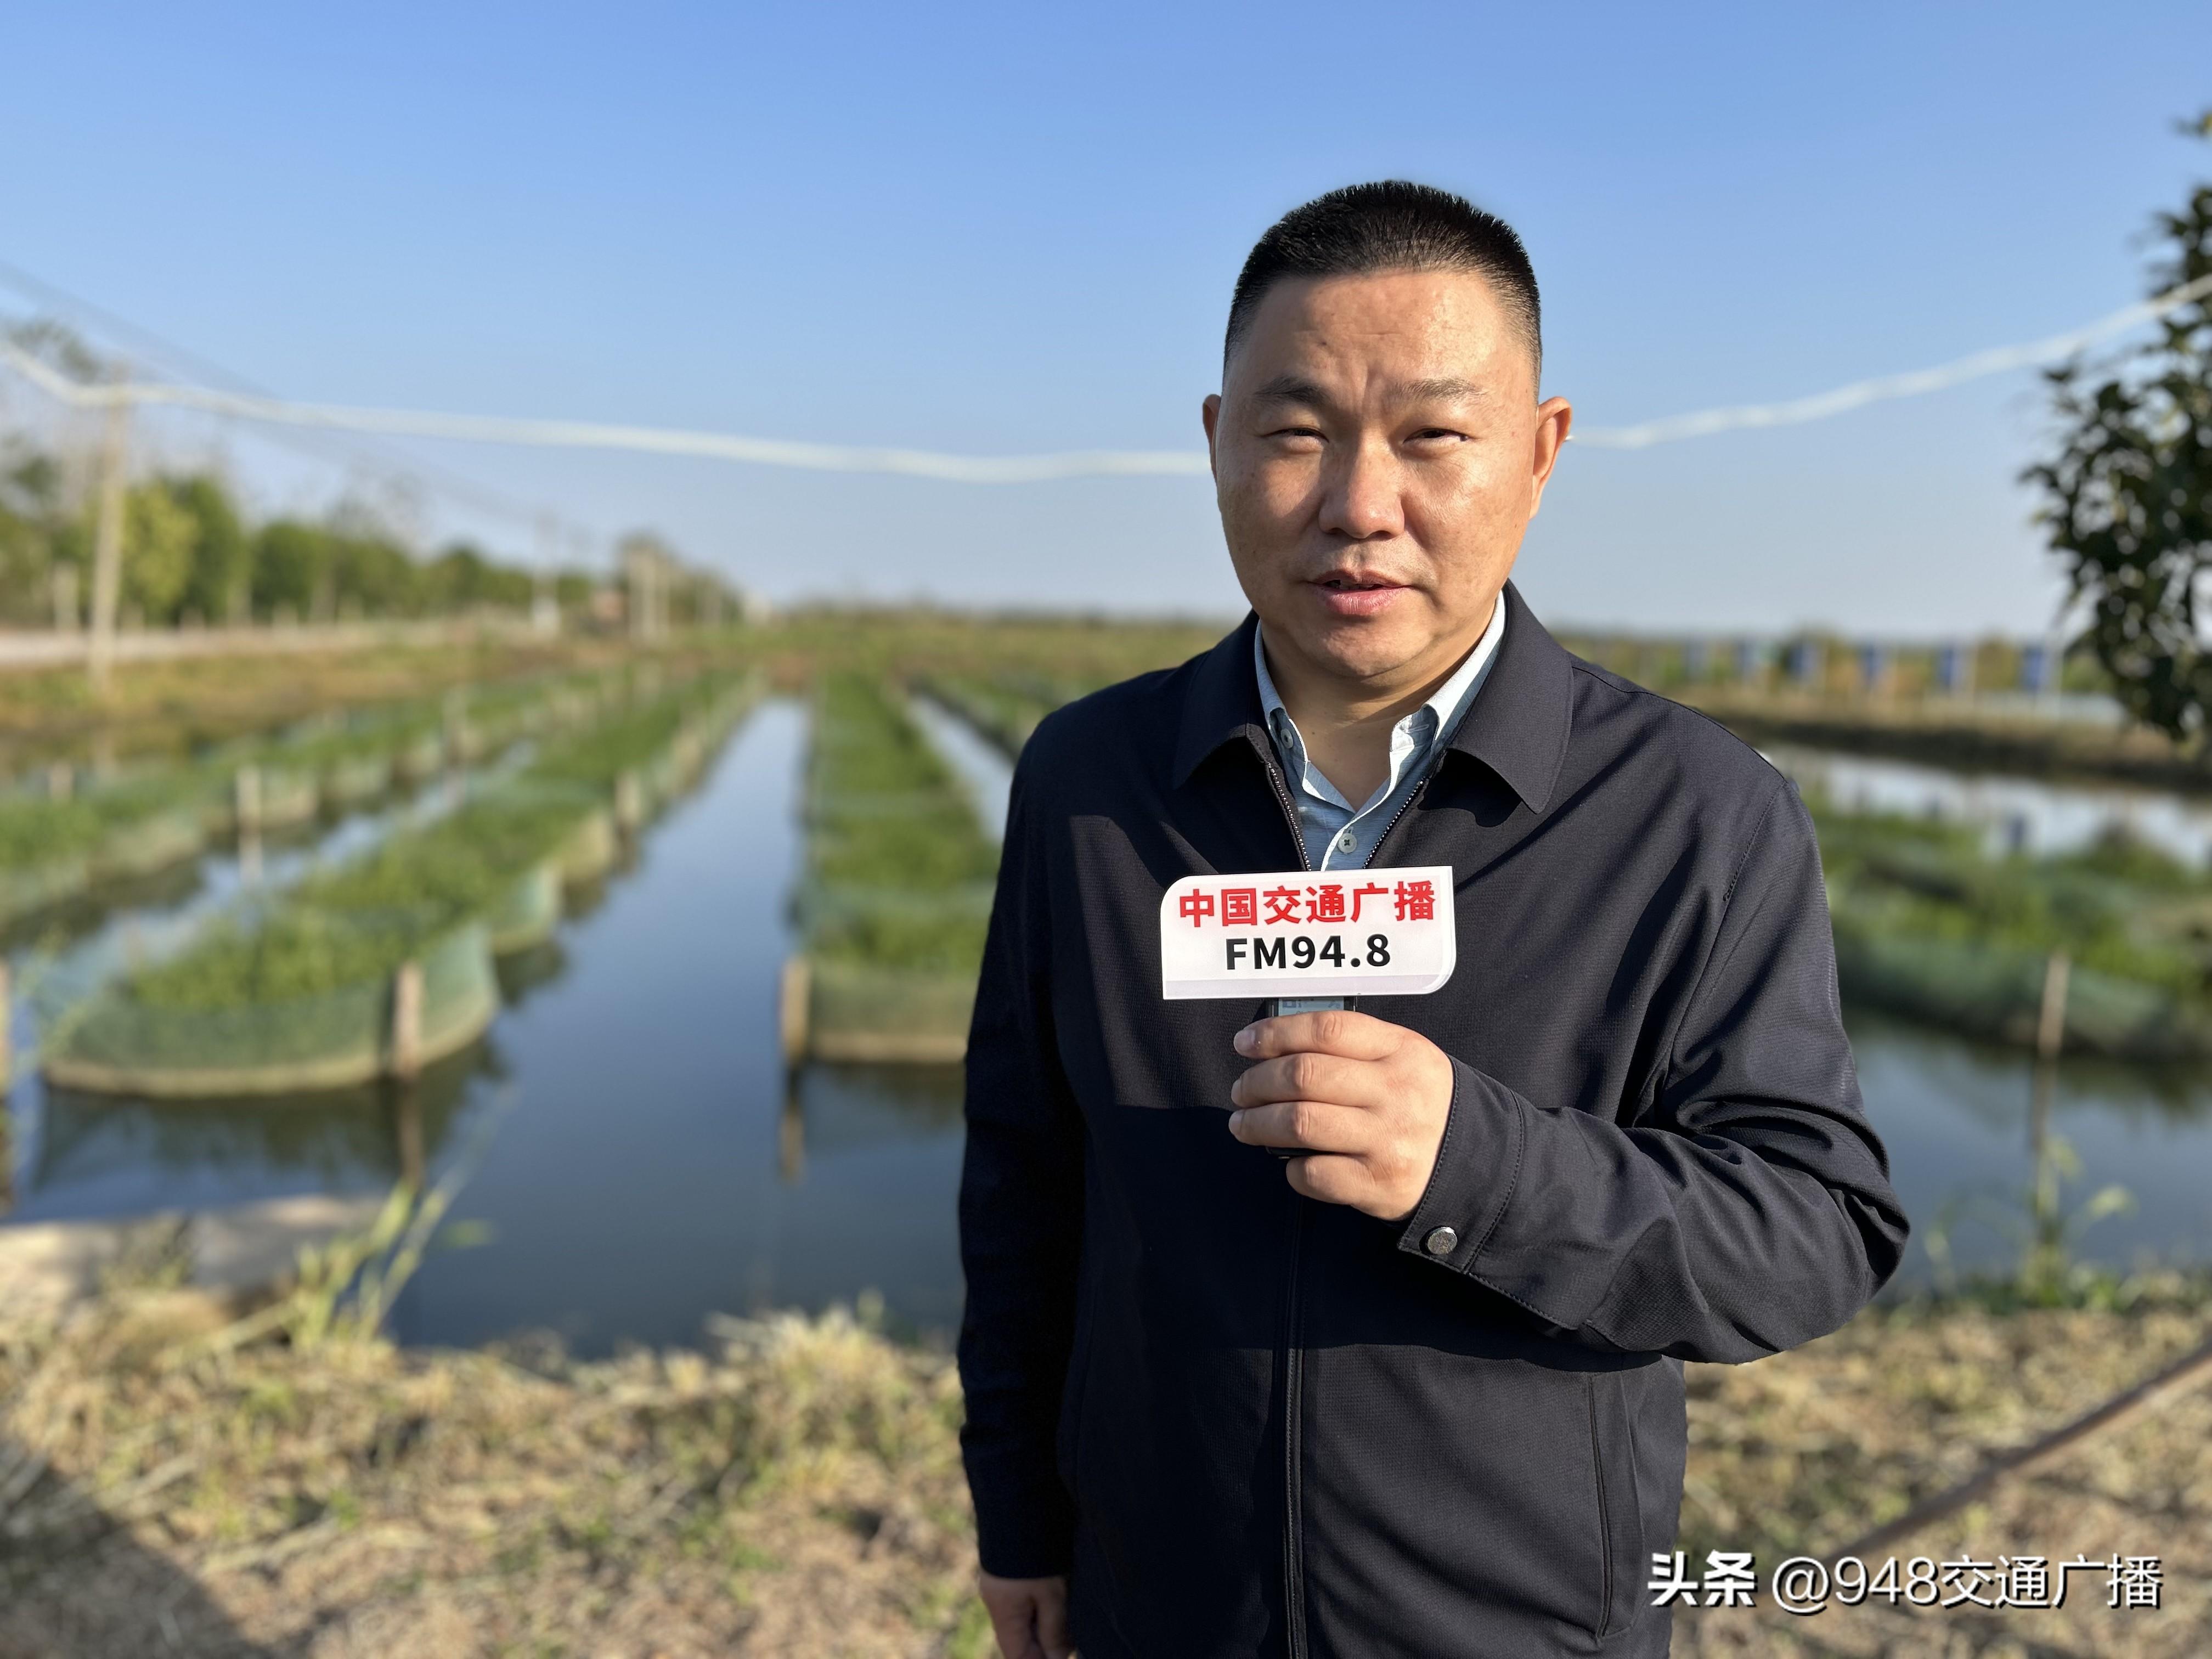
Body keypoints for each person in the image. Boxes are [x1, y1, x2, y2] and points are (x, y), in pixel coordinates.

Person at [957, 180, 1906, 1658]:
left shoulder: (1697, 815)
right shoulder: (1090, 784)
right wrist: (1017, 1514)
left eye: (1433, 437)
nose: (1359, 506)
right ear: (1216, 447)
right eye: (1295, 433)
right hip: (1159, 1605)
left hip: (1524, 1627)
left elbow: (1813, 1230)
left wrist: (1481, 1163)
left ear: (1540, 456)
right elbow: (1024, 1184)